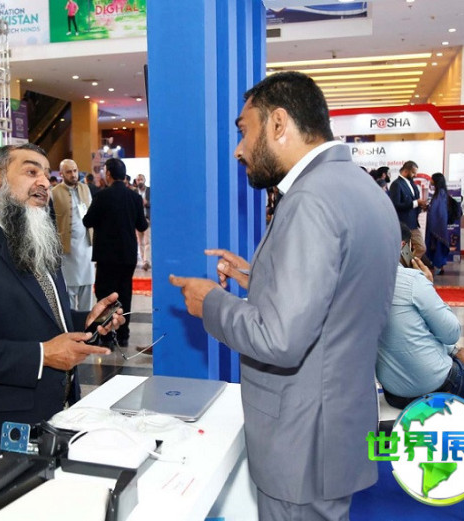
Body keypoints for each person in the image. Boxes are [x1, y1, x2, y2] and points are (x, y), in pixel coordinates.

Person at [169, 71, 400, 520]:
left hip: (301, 439)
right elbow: (338, 296)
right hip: (336, 428)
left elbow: (279, 339)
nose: (239, 149)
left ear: (278, 123)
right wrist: (258, 277)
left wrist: (210, 302)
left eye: (244, 130)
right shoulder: (361, 189)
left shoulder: (309, 199)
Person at [0, 144, 122, 470]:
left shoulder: (39, 242)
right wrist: (43, 355)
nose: (44, 182)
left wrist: (85, 321)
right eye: (31, 171)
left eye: (46, 174)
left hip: (55, 418)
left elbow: (40, 316)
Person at [378, 223, 464, 485]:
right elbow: (451, 332)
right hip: (430, 382)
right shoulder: (411, 282)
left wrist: (452, 350)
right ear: (402, 247)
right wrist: (428, 286)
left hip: (393, 388)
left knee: (461, 357)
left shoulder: (359, 283)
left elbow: (411, 335)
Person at [83, 158, 149, 348]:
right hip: (127, 254)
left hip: (106, 255)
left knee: (105, 295)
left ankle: (106, 336)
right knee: (125, 294)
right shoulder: (134, 197)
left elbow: (87, 221)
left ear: (109, 173)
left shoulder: (102, 196)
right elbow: (142, 225)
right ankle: (123, 335)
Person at [51, 159, 95, 311]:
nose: (73, 174)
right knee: (68, 288)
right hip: (67, 248)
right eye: (69, 172)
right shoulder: (54, 193)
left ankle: (85, 320)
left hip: (86, 245)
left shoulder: (86, 189)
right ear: (61, 174)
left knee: (87, 287)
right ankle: (70, 322)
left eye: (75, 171)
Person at [390, 160, 428, 259]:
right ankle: (407, 266)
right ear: (406, 171)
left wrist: (421, 206)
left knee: (421, 248)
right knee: (405, 251)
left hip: (413, 223)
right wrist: (416, 203)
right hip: (403, 224)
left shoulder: (412, 184)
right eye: (413, 172)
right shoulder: (396, 184)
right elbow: (395, 205)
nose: (415, 175)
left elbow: (416, 201)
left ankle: (410, 264)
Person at [425, 172, 451, 274]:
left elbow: (438, 211)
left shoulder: (440, 194)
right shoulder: (440, 193)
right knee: (436, 246)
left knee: (437, 246)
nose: (430, 181)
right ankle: (439, 267)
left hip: (437, 226)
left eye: (432, 179)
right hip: (438, 225)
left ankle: (439, 267)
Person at [135, 174, 151, 271]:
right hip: (137, 219)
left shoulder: (150, 191)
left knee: (147, 241)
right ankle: (143, 259)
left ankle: (146, 262)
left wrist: (147, 203)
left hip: (147, 218)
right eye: (138, 179)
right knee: (140, 242)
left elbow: (156, 202)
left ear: (144, 180)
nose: (140, 181)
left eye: (141, 179)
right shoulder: (134, 192)